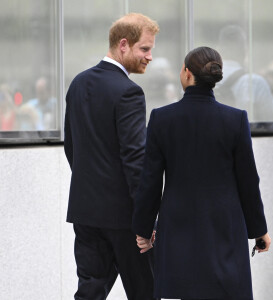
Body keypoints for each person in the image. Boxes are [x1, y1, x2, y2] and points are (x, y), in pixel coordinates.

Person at [132, 46, 271, 300]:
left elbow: (150, 181)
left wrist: (143, 229)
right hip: (224, 230)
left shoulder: (162, 119)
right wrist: (259, 231)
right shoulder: (235, 119)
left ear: (186, 73)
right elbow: (248, 181)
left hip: (178, 229)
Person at [64, 13, 159, 300]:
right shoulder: (129, 91)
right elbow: (135, 159)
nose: (150, 57)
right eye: (144, 49)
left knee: (89, 292)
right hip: (125, 219)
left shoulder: (78, 83)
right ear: (123, 45)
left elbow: (72, 147)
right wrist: (147, 221)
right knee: (147, 292)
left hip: (85, 213)